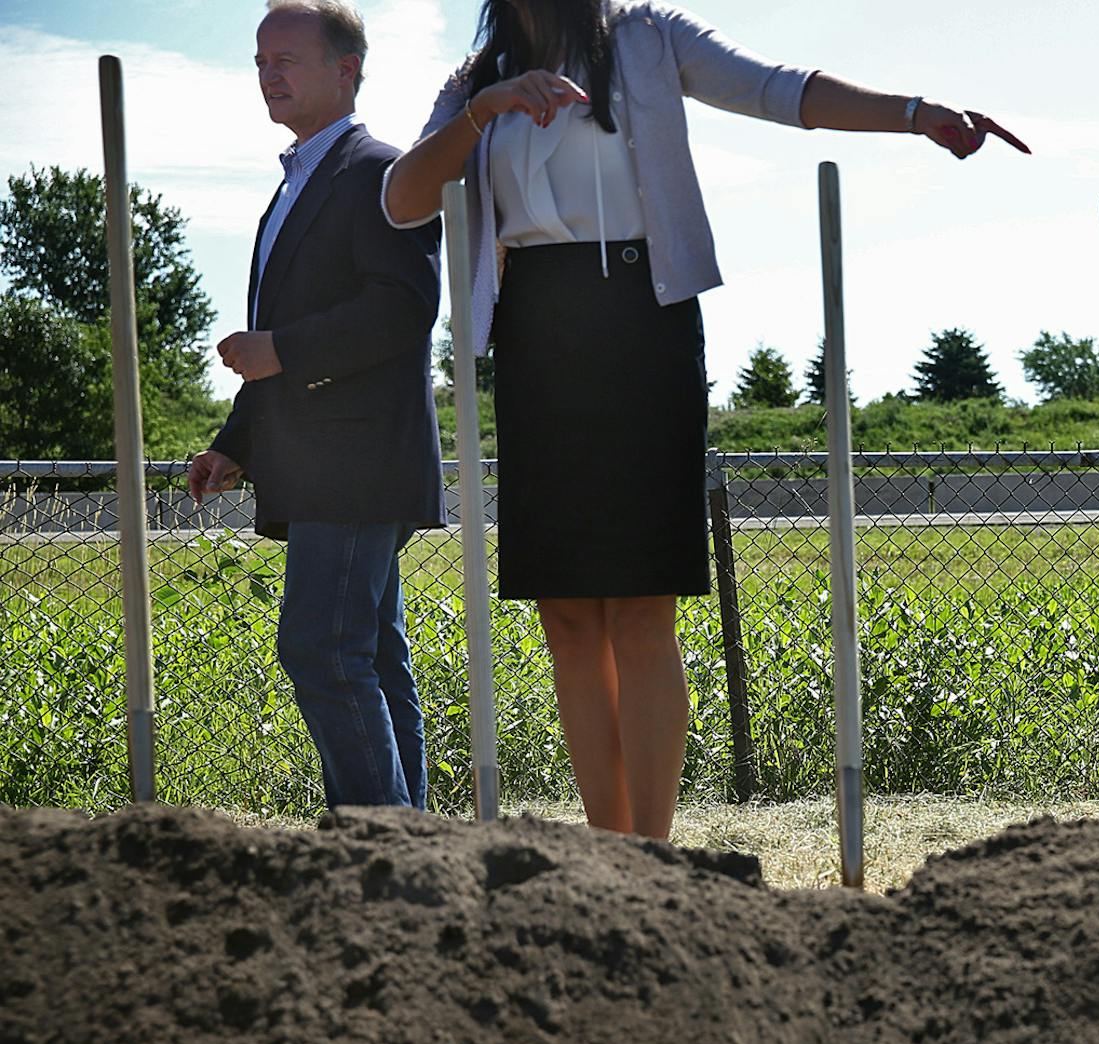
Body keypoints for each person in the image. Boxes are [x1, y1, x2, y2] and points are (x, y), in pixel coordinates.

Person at [382, 0, 1025, 841]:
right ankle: (608, 854)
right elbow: (401, 200)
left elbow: (779, 90)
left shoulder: (649, 38)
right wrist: (484, 112)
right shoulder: (474, 84)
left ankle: (650, 852)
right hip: (535, 335)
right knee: (568, 614)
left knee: (642, 604)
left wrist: (911, 114)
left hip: (644, 321)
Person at [189, 0, 446, 811]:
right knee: (367, 652)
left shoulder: (377, 172)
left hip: (359, 460)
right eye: (260, 62)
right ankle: (411, 848)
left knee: (323, 649)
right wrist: (238, 442)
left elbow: (404, 307)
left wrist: (282, 352)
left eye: (287, 60)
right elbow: (277, 337)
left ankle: (385, 853)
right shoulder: (295, 184)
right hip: (327, 460)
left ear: (346, 71)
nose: (269, 75)